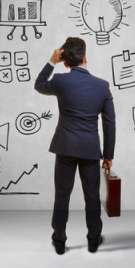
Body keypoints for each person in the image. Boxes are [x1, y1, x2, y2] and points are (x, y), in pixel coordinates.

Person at [34, 37, 115, 255]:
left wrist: (52, 62)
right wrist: (108, 155)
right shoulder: (102, 86)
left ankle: (59, 240)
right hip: (90, 149)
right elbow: (109, 122)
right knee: (92, 195)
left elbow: (39, 85)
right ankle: (93, 239)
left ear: (65, 62)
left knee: (62, 194)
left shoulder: (60, 81)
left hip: (65, 148)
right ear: (85, 57)